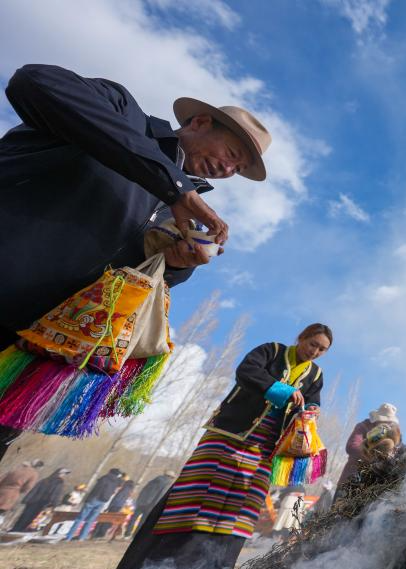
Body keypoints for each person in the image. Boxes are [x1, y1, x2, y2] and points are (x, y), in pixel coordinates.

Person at [0, 63, 273, 462]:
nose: (229, 170)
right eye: (232, 154)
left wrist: (176, 264)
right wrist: (173, 185)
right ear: (199, 122)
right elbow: (34, 83)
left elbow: (131, 283)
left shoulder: (176, 209)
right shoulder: (122, 113)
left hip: (29, 352)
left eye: (238, 168)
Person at [87, 324, 331, 569]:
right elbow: (247, 371)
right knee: (195, 497)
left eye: (321, 349)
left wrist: (311, 410)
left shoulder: (315, 375)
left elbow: (314, 401)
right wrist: (282, 390)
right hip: (229, 434)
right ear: (301, 338)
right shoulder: (272, 351)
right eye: (312, 343)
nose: (314, 351)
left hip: (266, 449)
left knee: (239, 512)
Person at [337, 403, 403, 487]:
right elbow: (352, 446)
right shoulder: (363, 426)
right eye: (384, 420)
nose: (386, 423)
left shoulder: (392, 435)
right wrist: (371, 454)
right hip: (350, 479)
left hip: (370, 484)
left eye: (389, 422)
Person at [65, 468, 124, 541]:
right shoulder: (116, 482)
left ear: (110, 472)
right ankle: (81, 538)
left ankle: (69, 537)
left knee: (80, 518)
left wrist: (88, 499)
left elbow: (96, 489)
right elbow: (117, 487)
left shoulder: (104, 478)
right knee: (90, 520)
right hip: (103, 501)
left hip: (94, 499)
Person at [11, 466, 70, 532]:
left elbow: (34, 490)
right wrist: (54, 504)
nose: (64, 476)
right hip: (44, 503)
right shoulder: (59, 482)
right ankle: (22, 531)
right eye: (64, 474)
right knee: (34, 519)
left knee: (24, 516)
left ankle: (15, 529)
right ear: (60, 474)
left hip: (32, 502)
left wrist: (27, 499)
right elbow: (55, 493)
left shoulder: (45, 480)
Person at [124, 471, 176, 537]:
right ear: (170, 477)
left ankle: (127, 534)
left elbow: (144, 489)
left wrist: (140, 500)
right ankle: (135, 536)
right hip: (151, 505)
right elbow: (161, 495)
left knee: (133, 518)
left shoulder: (155, 479)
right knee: (142, 522)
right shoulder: (168, 483)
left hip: (142, 502)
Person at [0, 459, 44, 526]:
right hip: (12, 494)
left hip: (2, 489)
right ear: (38, 467)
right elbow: (28, 487)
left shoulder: (17, 468)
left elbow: (2, 477)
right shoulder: (34, 474)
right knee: (1, 511)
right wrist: (20, 490)